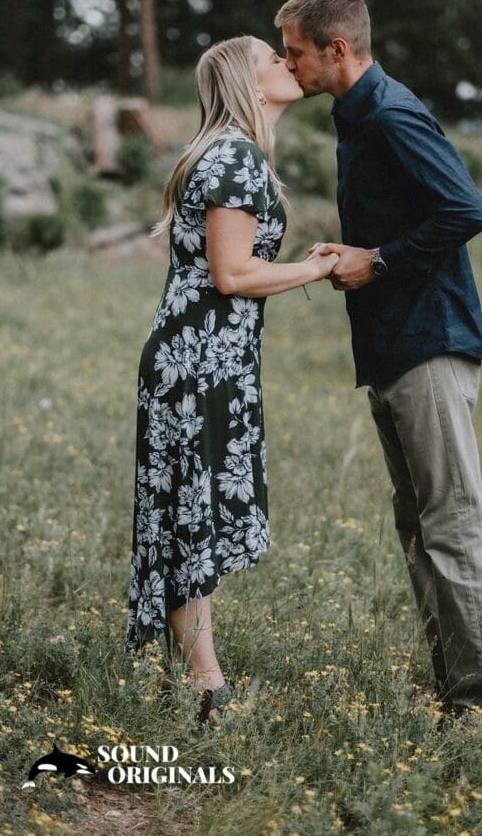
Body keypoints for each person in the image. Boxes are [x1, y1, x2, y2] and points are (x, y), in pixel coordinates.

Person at [274, 0, 482, 718]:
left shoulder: (389, 113)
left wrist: (377, 261)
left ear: (336, 49)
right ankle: (457, 694)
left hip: (428, 340)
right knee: (417, 525)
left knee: (453, 523)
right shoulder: (355, 117)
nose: (287, 65)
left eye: (294, 52)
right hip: (391, 345)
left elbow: (467, 209)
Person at [124, 35, 338, 719]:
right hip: (199, 365)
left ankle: (191, 677)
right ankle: (205, 686)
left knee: (192, 513)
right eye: (272, 58)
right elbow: (233, 274)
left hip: (204, 361)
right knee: (194, 515)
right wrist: (319, 267)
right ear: (248, 80)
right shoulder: (235, 158)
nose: (286, 62)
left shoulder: (228, 155)